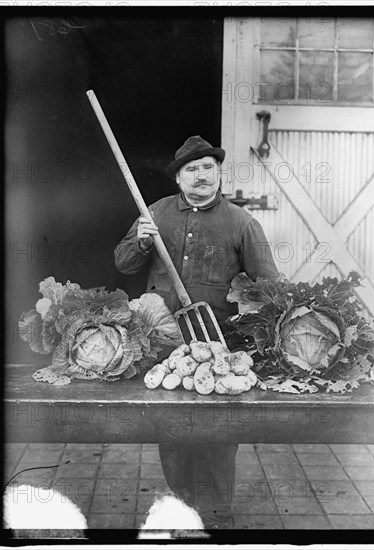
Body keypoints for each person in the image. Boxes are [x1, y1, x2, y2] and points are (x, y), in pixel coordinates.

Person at [114, 135, 278, 529]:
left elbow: (270, 285)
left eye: (208, 167)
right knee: (171, 427)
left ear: (218, 173)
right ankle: (182, 509)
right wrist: (140, 241)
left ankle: (219, 514)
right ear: (179, 178)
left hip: (218, 341)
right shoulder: (154, 213)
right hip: (165, 342)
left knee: (219, 430)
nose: (201, 175)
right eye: (192, 169)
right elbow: (123, 264)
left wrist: (260, 329)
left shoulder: (242, 223)